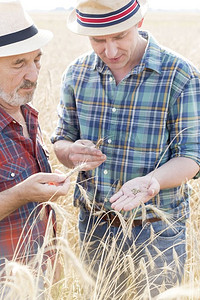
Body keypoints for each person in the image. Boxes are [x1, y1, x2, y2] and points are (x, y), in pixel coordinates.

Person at [51, 0, 200, 298]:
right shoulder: (76, 74)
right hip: (95, 226)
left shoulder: (180, 76)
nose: (110, 51)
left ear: (139, 23)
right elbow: (61, 139)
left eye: (119, 36)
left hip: (157, 229)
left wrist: (152, 181)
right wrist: (70, 152)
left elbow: (192, 156)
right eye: (98, 40)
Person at [0, 0, 70, 292]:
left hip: (37, 278)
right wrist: (20, 194)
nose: (33, 74)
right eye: (19, 63)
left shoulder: (27, 113)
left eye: (36, 60)